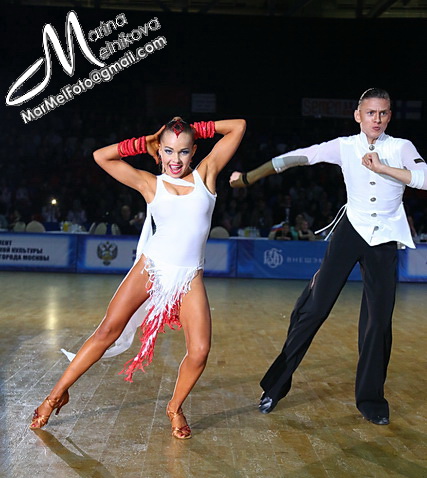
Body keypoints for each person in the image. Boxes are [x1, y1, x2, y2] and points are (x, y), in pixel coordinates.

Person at [30, 116, 246, 438]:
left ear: (194, 151)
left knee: (200, 351)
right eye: (168, 151)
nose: (175, 160)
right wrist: (143, 141)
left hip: (189, 278)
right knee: (107, 331)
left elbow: (238, 126)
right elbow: (101, 157)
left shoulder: (206, 175)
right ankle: (55, 395)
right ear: (159, 152)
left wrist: (193, 129)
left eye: (183, 151)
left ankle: (174, 407)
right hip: (151, 268)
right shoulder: (150, 183)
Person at [230, 88, 427, 425]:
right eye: (370, 112)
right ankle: (275, 386)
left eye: (383, 113)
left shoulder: (401, 147)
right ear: (358, 115)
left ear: (389, 116)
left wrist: (383, 168)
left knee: (378, 322)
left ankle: (371, 400)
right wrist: (249, 178)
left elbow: (424, 179)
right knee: (315, 309)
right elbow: (297, 157)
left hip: (384, 237)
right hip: (351, 231)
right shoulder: (344, 146)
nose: (377, 119)